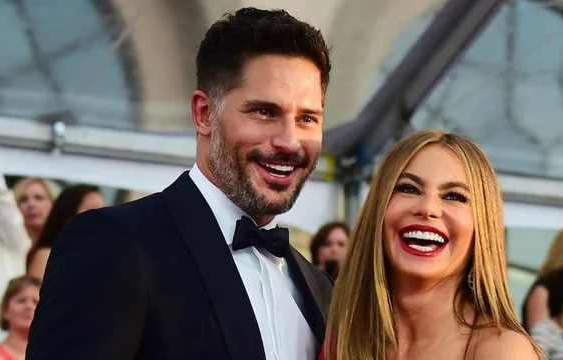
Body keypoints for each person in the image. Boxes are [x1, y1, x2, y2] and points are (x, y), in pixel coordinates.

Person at [26, 7, 333, 360]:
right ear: (204, 114)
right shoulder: (116, 244)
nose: (290, 141)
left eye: (307, 118)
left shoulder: (319, 287)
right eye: (264, 112)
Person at [322, 130, 541, 359]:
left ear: (483, 226)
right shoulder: (339, 338)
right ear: (379, 209)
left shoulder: (502, 351)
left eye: (454, 196)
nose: (428, 208)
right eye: (409, 188)